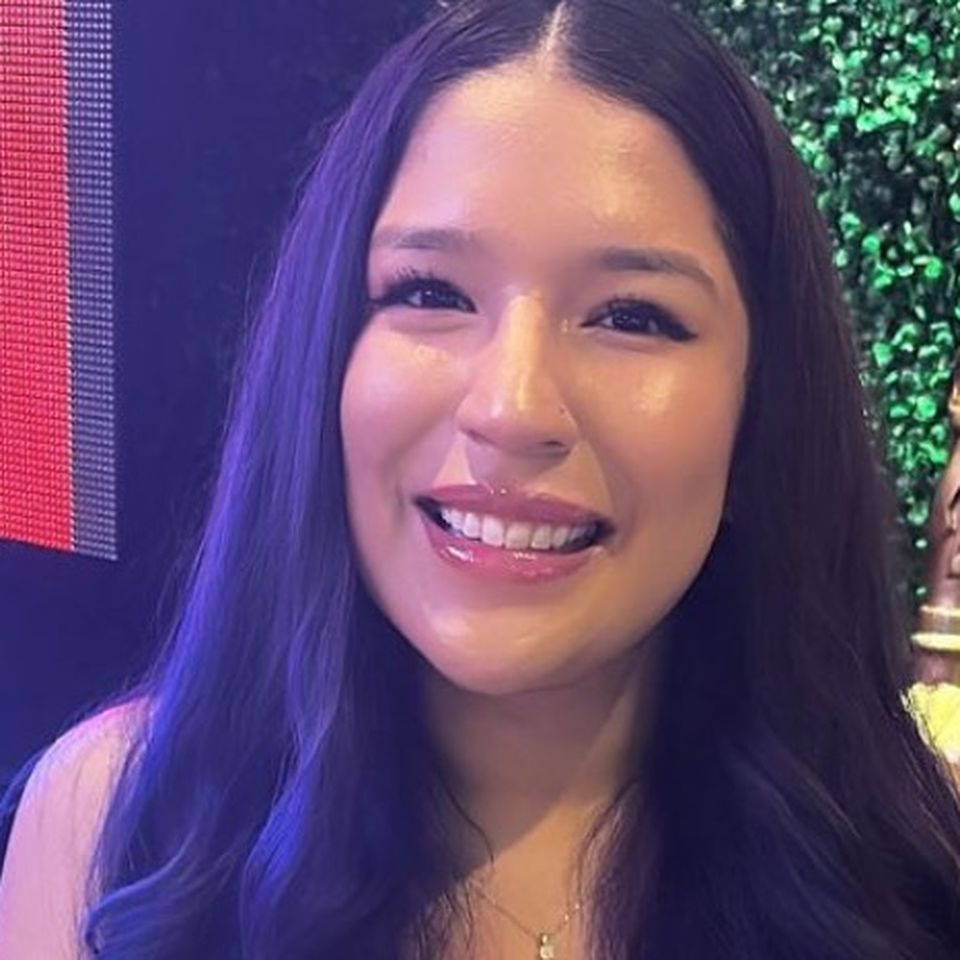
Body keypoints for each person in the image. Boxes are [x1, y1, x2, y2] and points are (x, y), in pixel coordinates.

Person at [2, 0, 960, 956]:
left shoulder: (917, 873)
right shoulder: (111, 827)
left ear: (761, 408)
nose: (512, 408)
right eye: (431, 292)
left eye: (631, 316)